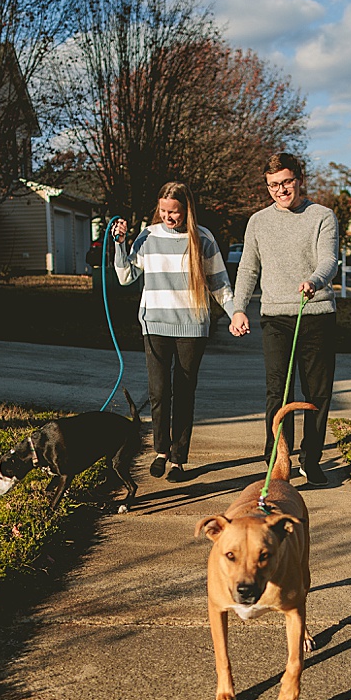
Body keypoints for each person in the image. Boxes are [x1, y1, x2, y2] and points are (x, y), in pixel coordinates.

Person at [229, 153, 339, 487]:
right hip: (276, 316)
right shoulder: (258, 222)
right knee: (278, 393)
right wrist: (238, 308)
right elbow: (248, 268)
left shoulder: (322, 216)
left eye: (286, 182)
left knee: (317, 393)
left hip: (316, 313)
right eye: (273, 185)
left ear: (299, 179)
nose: (281, 190)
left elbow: (329, 259)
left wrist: (315, 281)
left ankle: (312, 459)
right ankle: (278, 461)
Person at [113, 181, 234, 483]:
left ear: (186, 210)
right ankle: (160, 452)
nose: (169, 217)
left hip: (192, 327)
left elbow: (220, 283)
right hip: (154, 324)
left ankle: (179, 459)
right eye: (164, 211)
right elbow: (126, 276)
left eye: (175, 212)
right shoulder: (147, 236)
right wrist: (119, 243)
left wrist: (236, 313)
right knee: (158, 391)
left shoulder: (202, 239)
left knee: (183, 392)